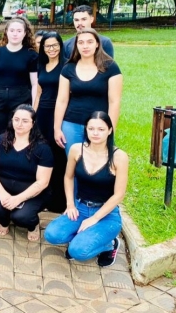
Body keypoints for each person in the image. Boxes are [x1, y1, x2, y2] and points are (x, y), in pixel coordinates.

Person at [44, 112, 128, 267]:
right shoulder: (77, 149)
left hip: (106, 214)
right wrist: (70, 204)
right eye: (91, 128)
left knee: (78, 252)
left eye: (101, 129)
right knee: (52, 235)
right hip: (80, 208)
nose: (95, 133)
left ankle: (110, 244)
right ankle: (84, 236)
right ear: (86, 130)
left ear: (110, 130)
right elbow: (68, 177)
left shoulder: (119, 156)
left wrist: (94, 219)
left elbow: (119, 194)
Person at [0, 105, 53, 241]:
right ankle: (4, 221)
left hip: (32, 192)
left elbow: (43, 182)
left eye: (25, 121)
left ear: (33, 123)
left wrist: (18, 199)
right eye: (16, 119)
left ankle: (33, 225)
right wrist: (2, 193)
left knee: (21, 217)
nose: (19, 124)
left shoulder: (43, 148)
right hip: (4, 187)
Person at [54, 28, 123, 155]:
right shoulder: (68, 68)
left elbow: (114, 102)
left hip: (99, 125)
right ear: (76, 45)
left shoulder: (110, 67)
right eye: (81, 42)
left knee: (97, 163)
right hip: (71, 124)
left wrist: (110, 129)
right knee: (74, 165)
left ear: (97, 44)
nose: (85, 46)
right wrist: (57, 128)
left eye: (89, 42)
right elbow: (62, 100)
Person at [0, 17, 38, 143]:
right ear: (6, 32)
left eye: (18, 31)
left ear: (25, 33)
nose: (15, 34)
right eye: (12, 30)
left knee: (18, 137)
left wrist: (33, 107)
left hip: (21, 98)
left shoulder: (31, 55)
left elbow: (35, 84)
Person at [34, 32, 67, 213]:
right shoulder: (42, 65)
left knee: (59, 156)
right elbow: (39, 93)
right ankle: (43, 196)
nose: (51, 49)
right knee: (43, 155)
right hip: (42, 115)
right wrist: (34, 115)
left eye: (55, 45)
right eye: (47, 46)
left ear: (60, 46)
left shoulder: (67, 66)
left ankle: (58, 201)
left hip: (60, 114)